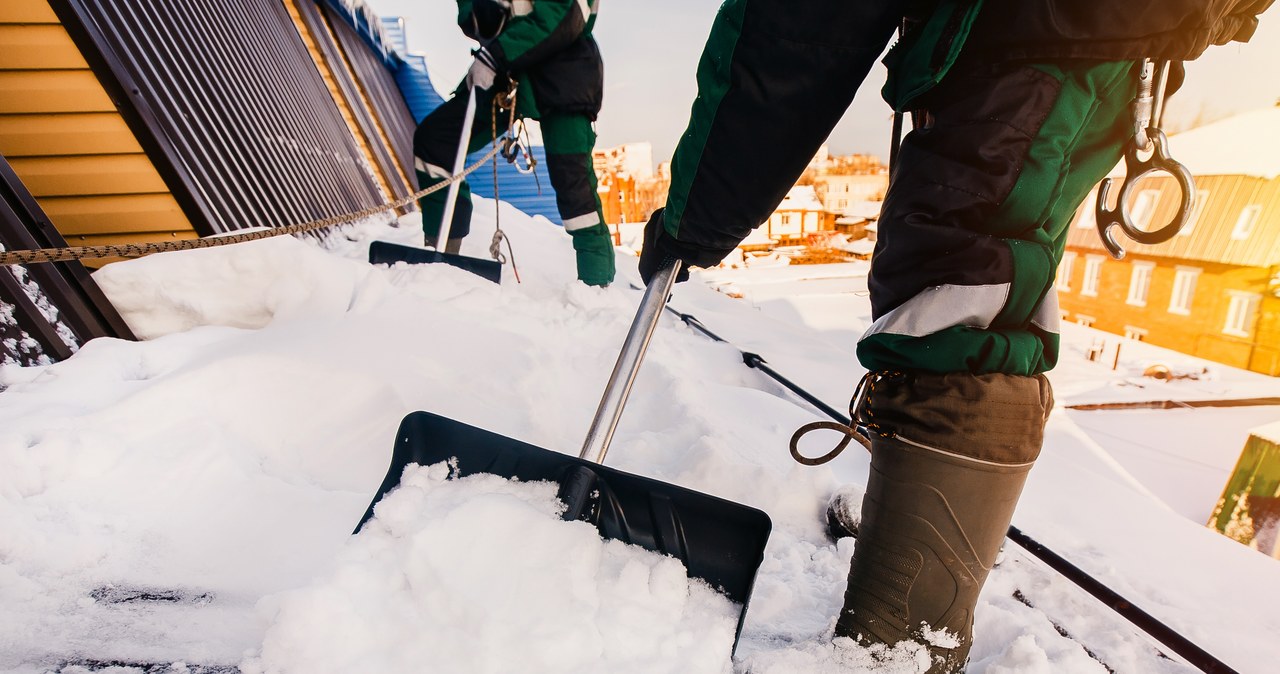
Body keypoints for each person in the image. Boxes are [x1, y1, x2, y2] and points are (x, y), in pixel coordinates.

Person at [638, 0, 1270, 671]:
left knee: (961, 293)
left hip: (1038, 35)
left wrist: (697, 217)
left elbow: (791, 33)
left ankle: (903, 646)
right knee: (978, 281)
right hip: (1075, 34)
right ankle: (913, 552)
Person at [412, 0, 615, 287]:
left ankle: (597, 285)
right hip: (510, 73)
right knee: (436, 142)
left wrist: (496, 54)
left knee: (574, 186)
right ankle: (443, 257)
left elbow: (564, 16)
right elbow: (474, 21)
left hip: (563, 72)